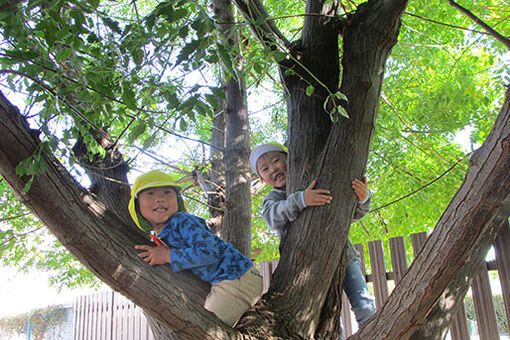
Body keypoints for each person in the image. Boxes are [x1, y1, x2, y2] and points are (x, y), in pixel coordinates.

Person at [250, 142, 376, 332]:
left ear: (289, 160)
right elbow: (273, 218)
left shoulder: (315, 180)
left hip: (343, 254)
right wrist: (301, 200)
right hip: (307, 266)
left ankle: (377, 332)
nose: (273, 168)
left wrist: (363, 198)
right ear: (262, 179)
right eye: (265, 168)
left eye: (276, 160)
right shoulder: (273, 199)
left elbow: (351, 212)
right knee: (326, 316)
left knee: (364, 304)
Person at [128, 170, 263, 327]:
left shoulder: (183, 221)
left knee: (208, 328)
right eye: (150, 194)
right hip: (226, 280)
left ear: (178, 201)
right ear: (137, 207)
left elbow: (209, 252)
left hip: (236, 277)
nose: (160, 198)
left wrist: (168, 256)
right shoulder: (161, 235)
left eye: (167, 192)